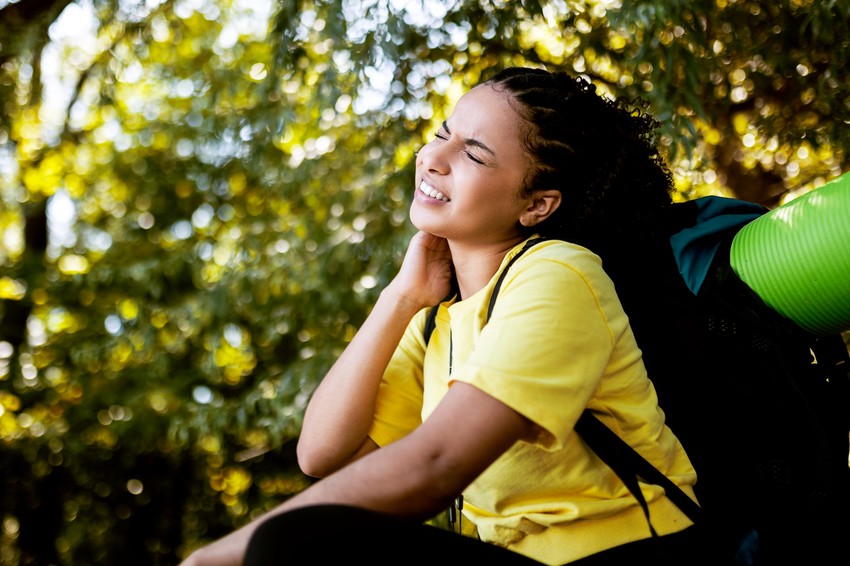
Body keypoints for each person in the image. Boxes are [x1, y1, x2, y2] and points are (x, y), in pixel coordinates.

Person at [180, 67, 709, 566]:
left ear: (538, 205)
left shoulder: (558, 274)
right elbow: (323, 454)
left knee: (293, 543)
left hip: (629, 559)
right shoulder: (439, 321)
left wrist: (218, 555)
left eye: (474, 155)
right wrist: (401, 298)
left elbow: (436, 464)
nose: (434, 157)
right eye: (443, 132)